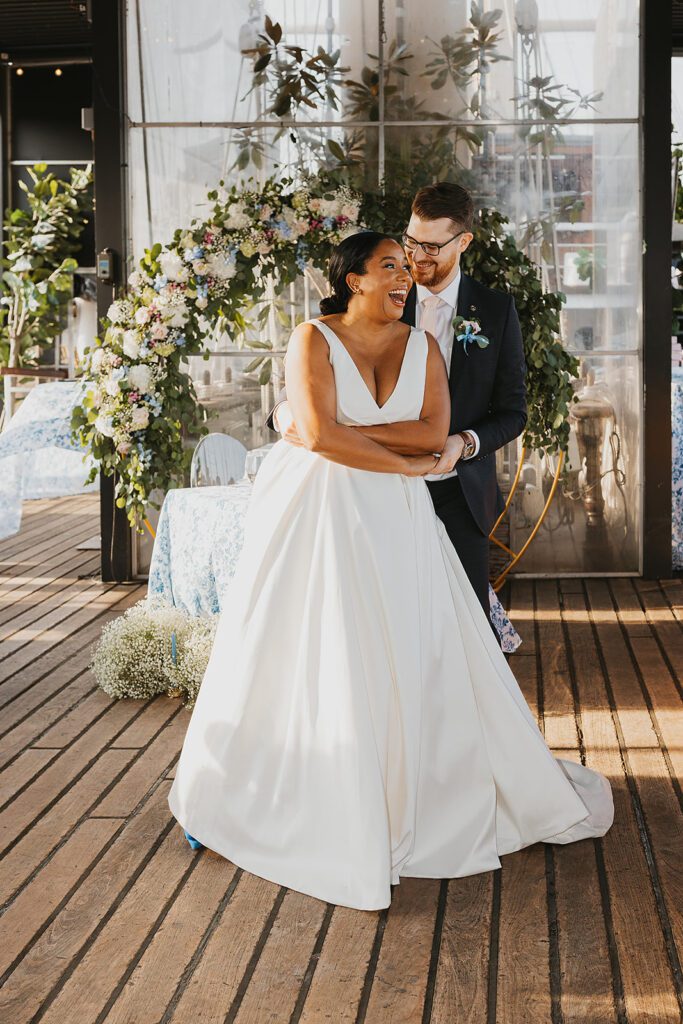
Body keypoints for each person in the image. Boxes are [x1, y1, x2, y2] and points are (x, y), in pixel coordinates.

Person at [169, 231, 613, 913]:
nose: (405, 277)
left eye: (408, 269)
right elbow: (317, 435)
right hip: (317, 512)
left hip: (395, 515)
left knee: (408, 641)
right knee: (315, 642)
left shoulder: (423, 347)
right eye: (389, 267)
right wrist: (389, 455)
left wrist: (357, 442)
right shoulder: (312, 339)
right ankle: (298, 790)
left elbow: (427, 435)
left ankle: (412, 788)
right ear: (351, 279)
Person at [268, 182, 527, 617]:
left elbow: (512, 411)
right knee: (377, 621)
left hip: (457, 490)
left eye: (431, 246)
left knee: (466, 629)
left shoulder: (496, 311)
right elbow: (306, 384)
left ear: (463, 242)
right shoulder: (371, 294)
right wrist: (289, 416)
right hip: (364, 492)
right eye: (411, 242)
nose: (416, 257)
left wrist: (463, 442)